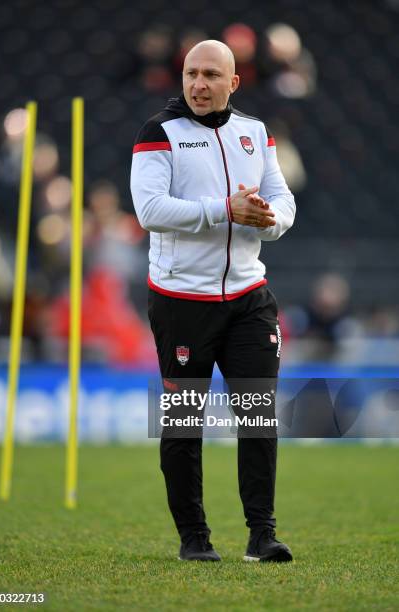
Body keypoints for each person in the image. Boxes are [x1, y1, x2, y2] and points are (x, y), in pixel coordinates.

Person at [131, 40, 295, 562]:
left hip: (249, 297)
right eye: (190, 74)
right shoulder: (160, 133)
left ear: (233, 83)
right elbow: (150, 209)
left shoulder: (255, 132)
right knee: (183, 426)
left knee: (257, 415)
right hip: (181, 301)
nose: (198, 85)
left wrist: (271, 220)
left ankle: (261, 535)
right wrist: (225, 210)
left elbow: (283, 197)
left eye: (209, 75)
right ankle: (194, 539)